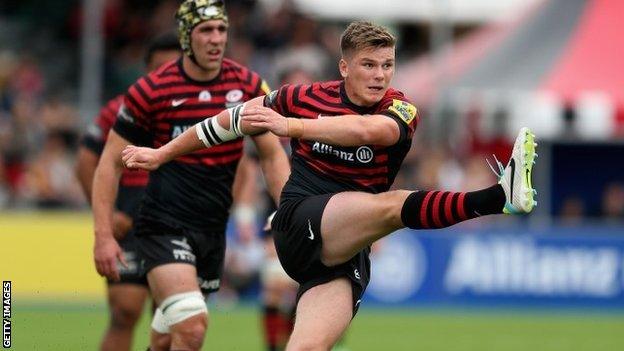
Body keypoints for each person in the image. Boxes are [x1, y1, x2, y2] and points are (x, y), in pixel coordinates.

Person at [122, 21, 538, 350]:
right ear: (344, 66)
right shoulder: (303, 96)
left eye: (387, 65)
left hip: (343, 252)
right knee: (391, 207)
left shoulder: (401, 108)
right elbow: (227, 122)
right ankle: (499, 197)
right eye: (368, 65)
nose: (379, 76)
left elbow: (367, 131)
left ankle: (502, 197)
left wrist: (293, 127)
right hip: (299, 220)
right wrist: (161, 154)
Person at [91, 1, 291, 350]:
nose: (216, 39)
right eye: (205, 30)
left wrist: (288, 208)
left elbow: (272, 155)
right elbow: (108, 164)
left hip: (212, 230)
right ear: (186, 36)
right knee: (193, 328)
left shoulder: (247, 85)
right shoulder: (151, 90)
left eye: (221, 30)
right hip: (162, 225)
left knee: (167, 338)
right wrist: (103, 235)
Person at [75, 32, 181, 351]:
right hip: (129, 214)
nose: (165, 75)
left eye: (173, 68)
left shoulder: (195, 111)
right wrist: (107, 216)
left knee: (170, 319)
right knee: (125, 310)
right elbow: (85, 164)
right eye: (158, 68)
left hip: (179, 214)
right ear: (146, 70)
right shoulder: (120, 109)